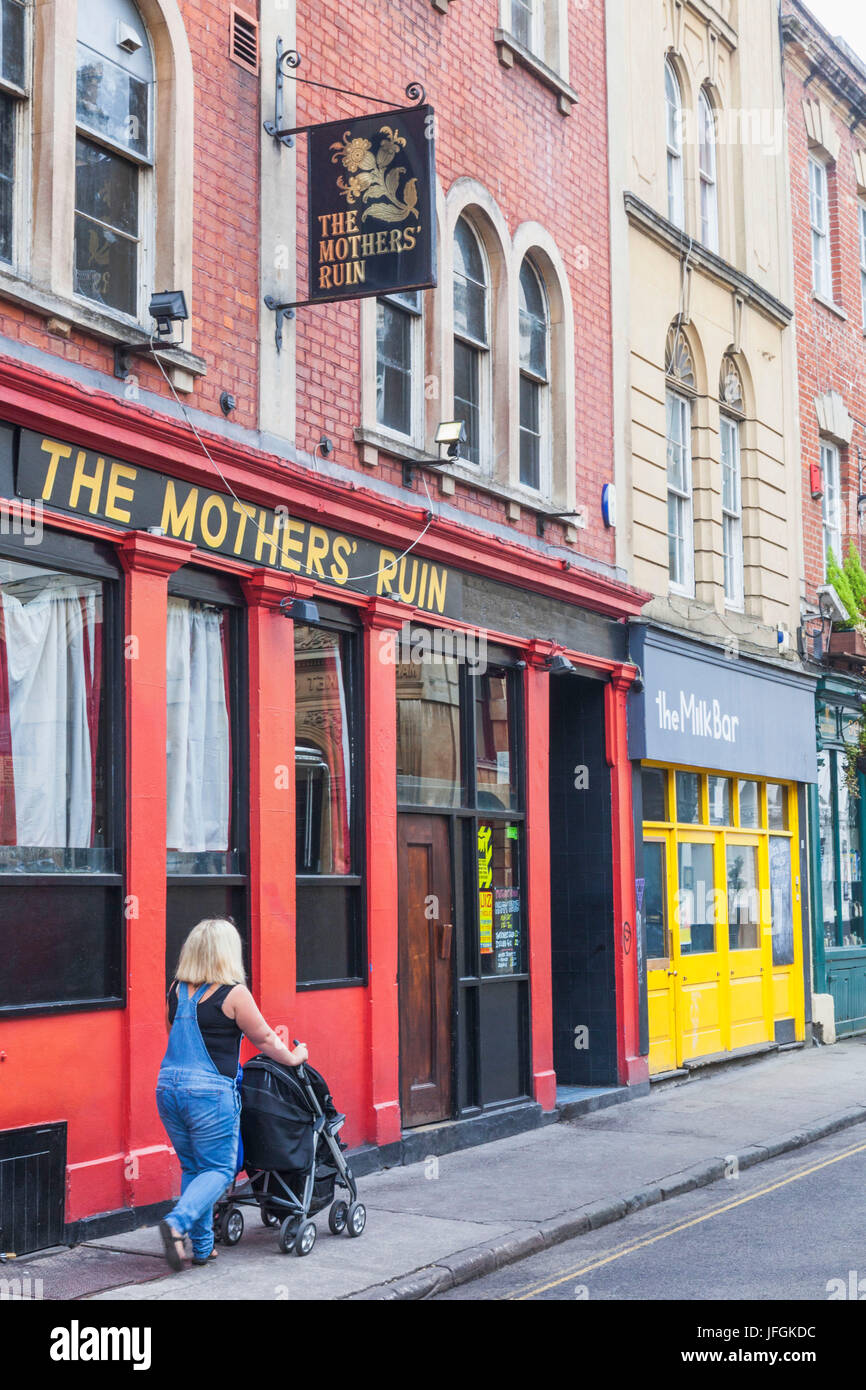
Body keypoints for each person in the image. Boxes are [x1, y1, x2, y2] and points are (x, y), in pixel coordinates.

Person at [156, 917, 308, 1270]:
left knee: (194, 1166)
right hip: (209, 1093)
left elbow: (171, 1034)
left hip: (168, 1088)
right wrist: (295, 1057)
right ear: (228, 953)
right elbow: (266, 1039)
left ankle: (203, 1246)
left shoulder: (176, 989)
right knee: (221, 1170)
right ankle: (177, 1223)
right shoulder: (234, 993)